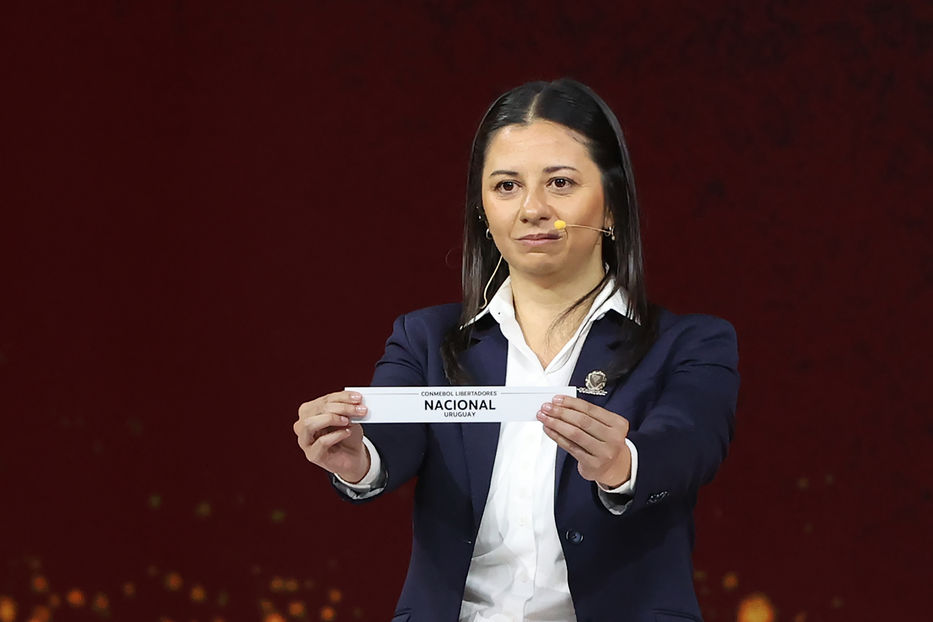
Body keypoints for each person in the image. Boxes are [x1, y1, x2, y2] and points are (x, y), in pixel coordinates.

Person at [294, 78, 739, 622]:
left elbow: (687, 443)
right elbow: (390, 437)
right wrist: (357, 459)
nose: (532, 209)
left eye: (560, 182)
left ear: (613, 206)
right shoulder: (424, 337)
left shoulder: (690, 343)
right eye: (507, 186)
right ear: (483, 211)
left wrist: (622, 463)